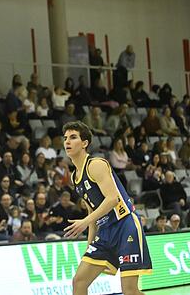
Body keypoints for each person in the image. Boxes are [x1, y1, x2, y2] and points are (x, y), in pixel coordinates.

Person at [63, 121, 152, 295]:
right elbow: (92, 213)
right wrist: (88, 247)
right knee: (79, 282)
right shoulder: (75, 177)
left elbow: (112, 199)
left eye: (73, 137)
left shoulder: (96, 164)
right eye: (65, 138)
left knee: (130, 290)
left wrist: (84, 222)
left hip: (125, 224)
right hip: (105, 232)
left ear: (84, 143)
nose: (67, 141)